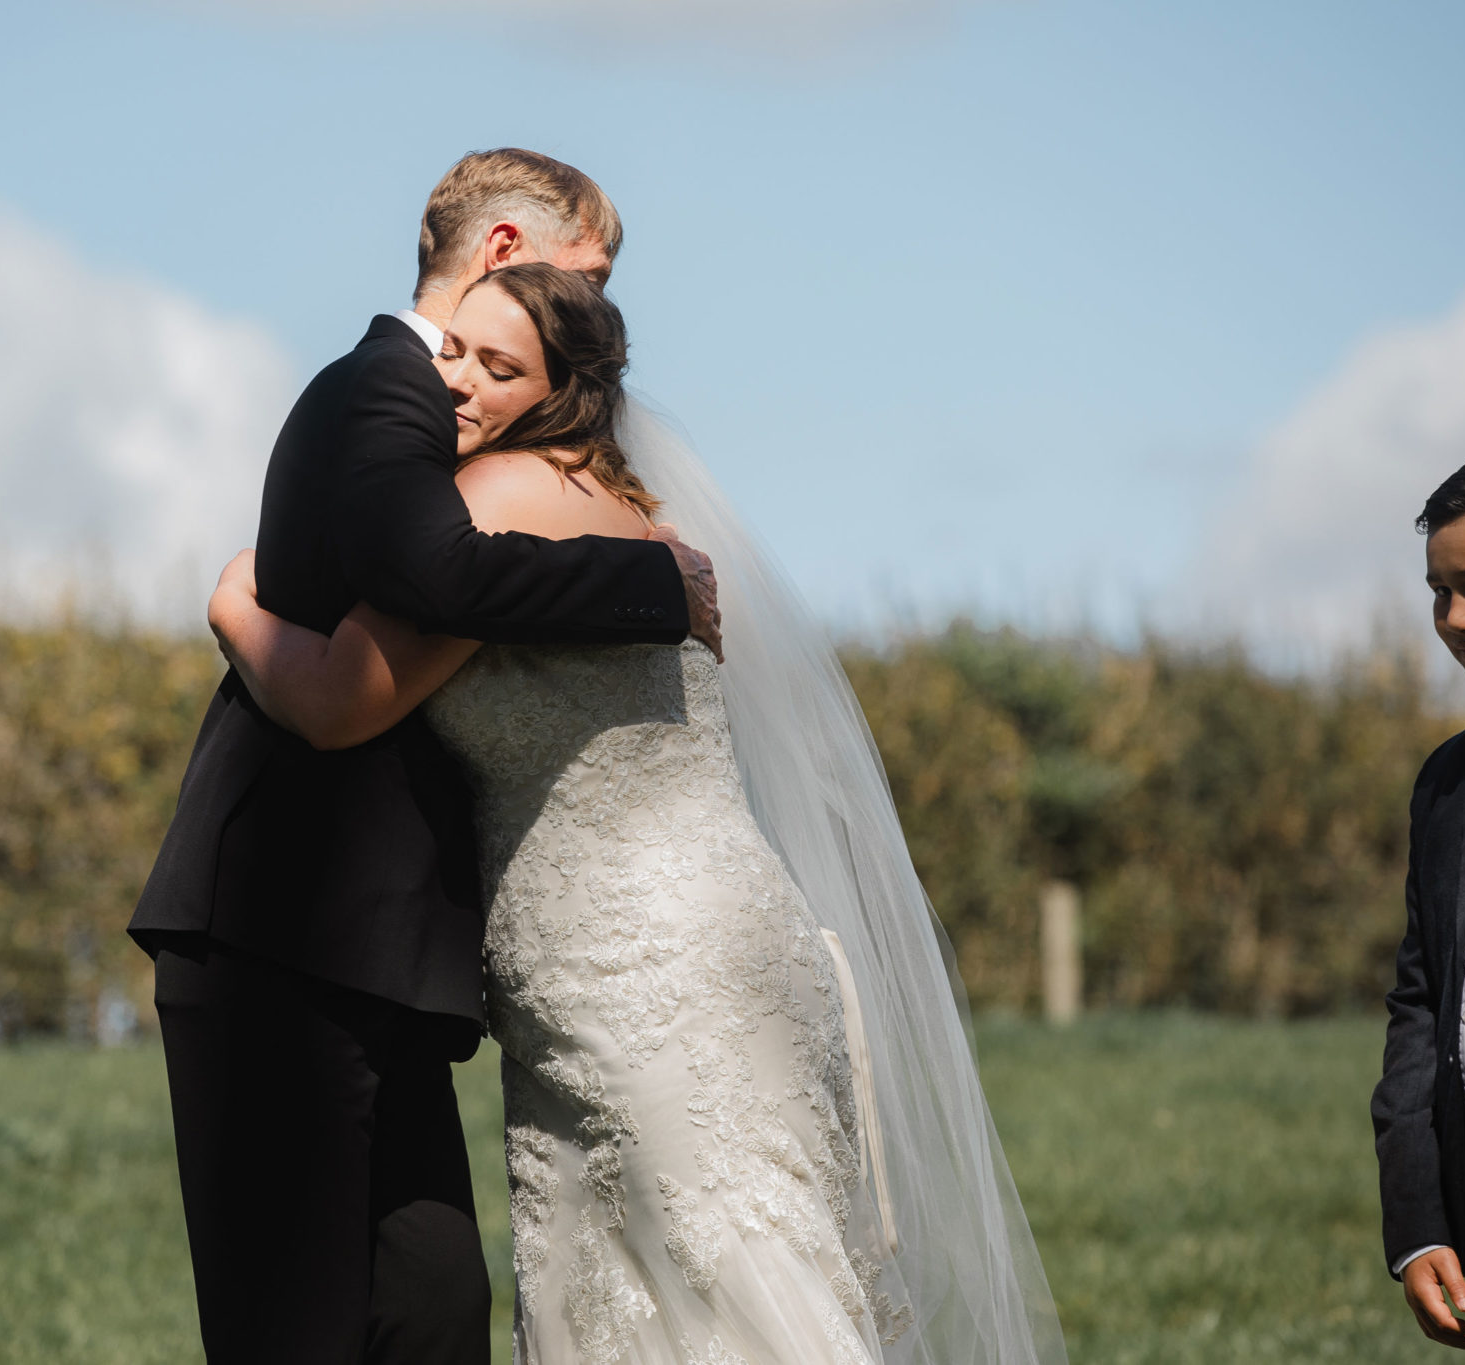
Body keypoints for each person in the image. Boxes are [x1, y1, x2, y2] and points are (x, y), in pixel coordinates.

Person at [210, 262, 1068, 1364]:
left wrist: (232, 600)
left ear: (564, 388)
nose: (458, 384)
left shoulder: (495, 498)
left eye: (498, 365)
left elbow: (334, 704)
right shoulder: (633, 507)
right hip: (723, 943)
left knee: (711, 1307)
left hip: (629, 967)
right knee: (732, 1282)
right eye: (452, 353)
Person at [127, 149, 721, 1364]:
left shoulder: (459, 425)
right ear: (504, 252)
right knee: (301, 1330)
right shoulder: (384, 392)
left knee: (434, 1313)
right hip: (279, 935)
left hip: (368, 954)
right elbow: (432, 581)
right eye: (590, 279)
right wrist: (651, 578)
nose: (603, 315)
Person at [1375, 442, 1465, 1358]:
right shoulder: (1448, 781)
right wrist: (1420, 1225)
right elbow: (1422, 1008)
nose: (1455, 618)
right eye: (1439, 592)